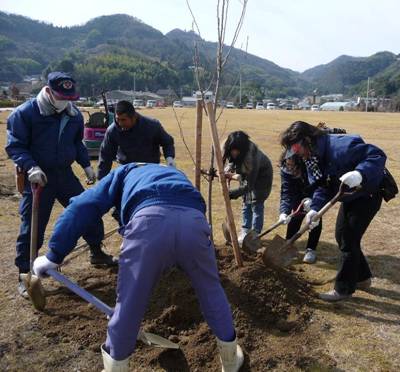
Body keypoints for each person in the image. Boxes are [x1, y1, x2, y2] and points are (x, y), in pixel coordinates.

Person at [32, 163, 244, 372]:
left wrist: (54, 254)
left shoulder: (122, 173)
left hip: (148, 224)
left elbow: (83, 206)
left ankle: (116, 366)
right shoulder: (174, 173)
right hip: (194, 223)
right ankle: (230, 361)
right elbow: (189, 206)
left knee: (129, 304)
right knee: (211, 291)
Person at [5, 72, 116, 298]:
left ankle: (96, 251)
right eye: (62, 97)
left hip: (64, 175)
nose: (66, 101)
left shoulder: (73, 114)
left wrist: (85, 165)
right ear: (49, 91)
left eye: (69, 97)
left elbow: (77, 142)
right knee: (33, 225)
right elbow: (15, 146)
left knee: (87, 210)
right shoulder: (25, 114)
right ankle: (25, 275)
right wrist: (31, 167)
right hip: (38, 177)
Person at [280, 121, 386, 302]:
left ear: (307, 139)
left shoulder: (340, 145)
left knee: (348, 238)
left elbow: (377, 155)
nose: (296, 153)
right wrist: (314, 209)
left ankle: (343, 289)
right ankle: (363, 278)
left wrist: (360, 173)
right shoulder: (313, 157)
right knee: (342, 236)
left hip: (368, 193)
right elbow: (323, 186)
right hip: (350, 196)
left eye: (296, 147)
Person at [96, 100, 175, 180]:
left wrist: (169, 159)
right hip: (127, 171)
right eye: (117, 119)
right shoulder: (113, 131)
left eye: (123, 120)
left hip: (150, 171)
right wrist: (101, 179)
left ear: (134, 117)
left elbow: (167, 142)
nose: (120, 123)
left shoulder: (152, 126)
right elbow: (106, 155)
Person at [222, 131, 273, 244]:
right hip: (248, 178)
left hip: (261, 180)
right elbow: (232, 162)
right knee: (246, 203)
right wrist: (228, 169)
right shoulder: (234, 152)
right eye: (232, 149)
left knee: (256, 205)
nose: (234, 152)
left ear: (243, 149)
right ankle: (245, 230)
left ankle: (254, 234)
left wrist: (232, 194)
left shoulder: (253, 159)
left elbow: (249, 185)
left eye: (237, 150)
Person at [279, 153, 323, 264]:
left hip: (314, 193)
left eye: (293, 166)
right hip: (297, 193)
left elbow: (322, 186)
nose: (290, 169)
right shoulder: (286, 169)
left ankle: (311, 249)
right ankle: (288, 243)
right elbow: (286, 192)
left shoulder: (312, 167)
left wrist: (315, 202)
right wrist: (283, 212)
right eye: (288, 165)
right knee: (295, 217)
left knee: (314, 220)